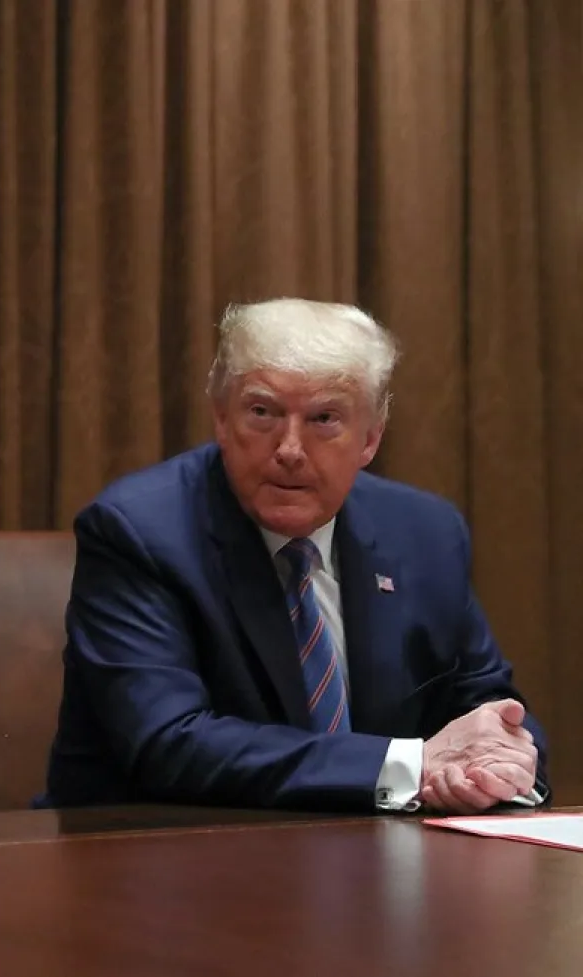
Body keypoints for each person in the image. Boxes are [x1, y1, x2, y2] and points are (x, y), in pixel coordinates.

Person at [43, 298, 545, 815]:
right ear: (221, 416)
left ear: (371, 437)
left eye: (324, 419)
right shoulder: (139, 532)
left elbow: (491, 707)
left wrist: (499, 763)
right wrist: (409, 765)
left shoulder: (425, 533)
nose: (289, 449)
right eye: (262, 412)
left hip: (379, 866)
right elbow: (167, 742)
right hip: (153, 864)